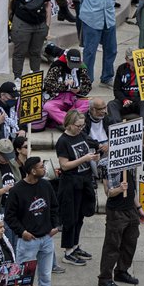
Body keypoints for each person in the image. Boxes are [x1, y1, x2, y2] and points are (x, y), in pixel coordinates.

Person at [3, 156, 56, 286]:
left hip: (46, 239)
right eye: (41, 167)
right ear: (33, 171)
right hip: (27, 242)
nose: (44, 169)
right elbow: (9, 216)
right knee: (20, 280)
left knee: (46, 278)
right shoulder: (17, 190)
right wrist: (22, 232)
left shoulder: (46, 185)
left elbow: (55, 207)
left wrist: (55, 226)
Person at [55, 109, 98, 267]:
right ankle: (67, 251)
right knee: (70, 218)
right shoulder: (63, 141)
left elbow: (90, 146)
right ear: (70, 124)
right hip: (70, 184)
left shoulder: (81, 135)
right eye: (78, 126)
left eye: (83, 125)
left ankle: (75, 245)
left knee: (80, 216)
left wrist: (94, 156)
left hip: (84, 181)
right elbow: (64, 166)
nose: (81, 128)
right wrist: (84, 158)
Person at [99, 141, 142, 286]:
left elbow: (133, 188)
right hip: (116, 211)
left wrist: (139, 207)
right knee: (112, 245)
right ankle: (105, 277)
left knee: (130, 242)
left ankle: (122, 271)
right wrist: (119, 189)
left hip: (131, 209)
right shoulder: (106, 163)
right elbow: (108, 192)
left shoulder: (131, 160)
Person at [78, 0, 119, 85]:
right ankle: (87, 79)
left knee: (111, 49)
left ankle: (107, 77)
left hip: (109, 17)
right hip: (91, 18)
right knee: (89, 51)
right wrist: (90, 9)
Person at [8, 0, 51, 78]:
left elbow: (48, 5)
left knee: (36, 53)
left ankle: (35, 76)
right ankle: (17, 77)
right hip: (22, 24)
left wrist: (47, 25)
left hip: (39, 25)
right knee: (19, 53)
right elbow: (8, 1)